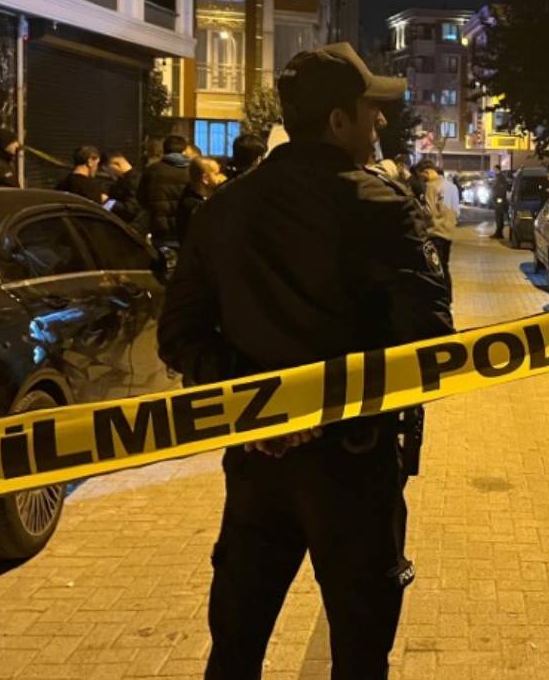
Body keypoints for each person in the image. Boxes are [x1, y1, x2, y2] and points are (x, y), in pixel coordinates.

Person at [157, 42, 452, 679]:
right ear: (338, 121)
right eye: (370, 110)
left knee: (236, 646)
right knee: (360, 651)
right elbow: (430, 340)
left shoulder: (224, 207)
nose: (380, 122)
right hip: (354, 465)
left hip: (256, 462)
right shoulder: (382, 207)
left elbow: (178, 335)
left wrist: (260, 403)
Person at [415, 159, 459, 301]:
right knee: (445, 267)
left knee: (435, 269)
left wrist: (418, 206)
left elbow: (429, 212)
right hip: (449, 233)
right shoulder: (451, 186)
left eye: (421, 176)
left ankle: (440, 299)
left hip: (435, 232)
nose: (422, 179)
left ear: (426, 172)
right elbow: (456, 211)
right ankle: (449, 298)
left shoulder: (431, 187)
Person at [138, 135, 192, 246]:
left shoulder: (153, 170)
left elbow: (141, 198)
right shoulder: (192, 170)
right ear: (184, 150)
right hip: (186, 227)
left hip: (160, 229)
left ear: (164, 149)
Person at [173, 155, 224, 244]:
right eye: (216, 174)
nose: (222, 177)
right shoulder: (196, 207)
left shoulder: (192, 197)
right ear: (205, 179)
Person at [104, 150, 147, 231]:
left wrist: (108, 202)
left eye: (107, 169)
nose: (108, 173)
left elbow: (132, 209)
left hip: (130, 228)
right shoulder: (124, 179)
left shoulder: (134, 180)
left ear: (116, 164)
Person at [490, 165, 510, 239]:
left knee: (499, 216)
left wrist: (499, 198)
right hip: (497, 199)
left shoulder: (501, 177)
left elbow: (502, 188)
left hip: (499, 199)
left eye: (494, 169)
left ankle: (499, 233)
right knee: (498, 216)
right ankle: (498, 232)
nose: (493, 170)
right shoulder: (498, 177)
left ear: (497, 169)